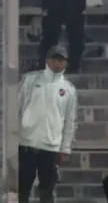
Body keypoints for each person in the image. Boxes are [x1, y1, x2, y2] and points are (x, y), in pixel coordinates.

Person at [18, 46, 77, 203]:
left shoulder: (69, 90)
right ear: (47, 60)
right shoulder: (30, 79)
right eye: (54, 59)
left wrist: (65, 148)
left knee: (47, 191)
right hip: (26, 144)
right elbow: (17, 108)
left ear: (66, 63)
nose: (57, 63)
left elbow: (70, 121)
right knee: (22, 189)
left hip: (51, 147)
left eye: (61, 60)